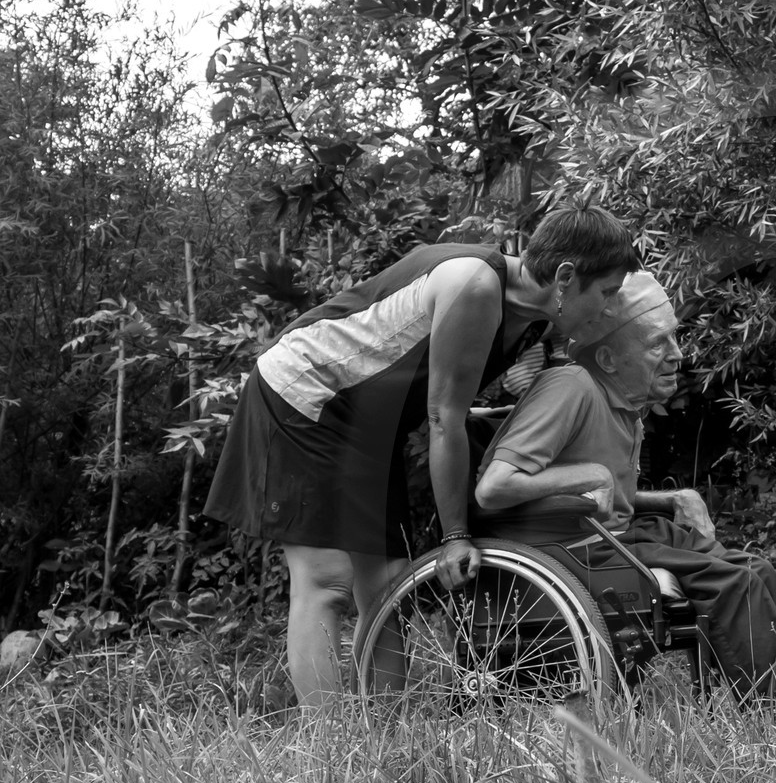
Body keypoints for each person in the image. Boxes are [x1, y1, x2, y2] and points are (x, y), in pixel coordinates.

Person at [204, 205, 635, 706]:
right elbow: (443, 419)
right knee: (326, 580)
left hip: (370, 423)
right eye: (607, 292)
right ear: (565, 277)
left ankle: (382, 736)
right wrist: (455, 536)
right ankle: (328, 744)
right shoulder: (474, 284)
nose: (609, 308)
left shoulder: (532, 323)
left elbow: (455, 405)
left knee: (389, 588)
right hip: (306, 395)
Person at [474, 272, 776, 698]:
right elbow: (494, 487)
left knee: (757, 570)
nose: (678, 355)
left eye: (673, 338)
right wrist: (593, 475)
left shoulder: (622, 404)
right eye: (658, 343)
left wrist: (675, 497)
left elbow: (608, 497)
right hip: (569, 546)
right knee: (734, 582)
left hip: (614, 534)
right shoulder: (569, 387)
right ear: (608, 358)